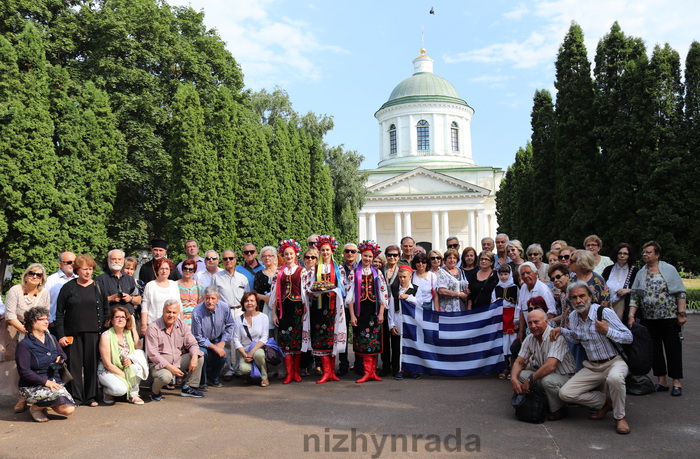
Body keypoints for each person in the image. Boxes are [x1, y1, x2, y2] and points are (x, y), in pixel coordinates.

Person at [555, 282, 633, 435]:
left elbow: (628, 337)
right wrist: (561, 330)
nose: (578, 301)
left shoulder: (604, 313)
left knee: (615, 379)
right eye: (574, 298)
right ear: (570, 301)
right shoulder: (573, 317)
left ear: (590, 297)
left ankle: (620, 417)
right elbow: (577, 338)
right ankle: (606, 403)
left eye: (582, 296)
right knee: (566, 393)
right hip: (593, 366)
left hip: (615, 361)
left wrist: (607, 331)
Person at [628, 241, 686, 396]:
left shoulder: (669, 269)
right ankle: (662, 381)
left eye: (648, 252)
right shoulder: (641, 272)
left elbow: (680, 292)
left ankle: (676, 382)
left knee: (673, 349)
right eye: (643, 252)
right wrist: (631, 314)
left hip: (669, 317)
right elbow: (635, 296)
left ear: (657, 254)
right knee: (654, 350)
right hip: (649, 318)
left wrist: (681, 314)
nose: (645, 255)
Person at [55, 254, 109, 407]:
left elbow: (106, 311)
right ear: (77, 270)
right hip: (73, 334)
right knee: (75, 367)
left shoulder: (98, 287)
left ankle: (91, 397)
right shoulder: (68, 288)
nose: (88, 272)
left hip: (94, 333)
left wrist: (104, 331)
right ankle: (76, 397)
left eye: (91, 269)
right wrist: (61, 335)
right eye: (85, 269)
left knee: (91, 366)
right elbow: (59, 313)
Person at [511, 308, 576, 421]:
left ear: (546, 321)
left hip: (566, 377)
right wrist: (513, 379)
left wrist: (531, 380)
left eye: (536, 322)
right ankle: (539, 401)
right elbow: (519, 361)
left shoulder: (556, 336)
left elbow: (551, 366)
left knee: (547, 380)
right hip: (546, 375)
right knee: (520, 375)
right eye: (530, 323)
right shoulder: (530, 338)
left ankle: (559, 409)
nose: (533, 326)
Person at [15, 307, 75, 422]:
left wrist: (60, 359)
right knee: (59, 393)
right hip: (32, 386)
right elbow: (24, 371)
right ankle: (36, 407)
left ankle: (44, 403)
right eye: (42, 319)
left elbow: (63, 355)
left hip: (54, 381)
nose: (46, 321)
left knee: (68, 409)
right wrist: (45, 382)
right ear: (32, 322)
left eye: (47, 319)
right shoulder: (24, 345)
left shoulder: (51, 338)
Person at [5, 264, 50, 413]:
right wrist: (27, 330)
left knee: (40, 364)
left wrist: (37, 331)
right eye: (32, 273)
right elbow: (10, 316)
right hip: (21, 331)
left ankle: (42, 397)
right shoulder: (15, 290)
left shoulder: (44, 293)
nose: (35, 277)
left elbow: (45, 315)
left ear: (42, 279)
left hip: (39, 332)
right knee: (22, 366)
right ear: (26, 275)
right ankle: (22, 398)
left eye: (39, 275)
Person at [303, 235, 347, 384]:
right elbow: (308, 288)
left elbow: (344, 287)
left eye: (327, 250)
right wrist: (313, 291)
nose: (325, 253)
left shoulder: (338, 268)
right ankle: (325, 371)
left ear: (332, 250)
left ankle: (332, 372)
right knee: (321, 339)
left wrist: (334, 290)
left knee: (332, 339)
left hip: (334, 308)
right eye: (323, 250)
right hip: (319, 308)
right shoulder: (314, 268)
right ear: (319, 251)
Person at [347, 241, 389, 383]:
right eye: (365, 256)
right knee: (363, 341)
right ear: (361, 255)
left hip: (374, 311)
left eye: (370, 257)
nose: (368, 259)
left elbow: (383, 294)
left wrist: (382, 312)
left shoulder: (377, 273)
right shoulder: (354, 273)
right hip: (360, 312)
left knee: (374, 341)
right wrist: (352, 315)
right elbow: (350, 296)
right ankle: (366, 372)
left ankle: (372, 371)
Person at [146, 299, 204, 401]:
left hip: (177, 362)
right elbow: (153, 354)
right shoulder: (153, 327)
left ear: (178, 313)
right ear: (163, 311)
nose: (171, 315)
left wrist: (194, 357)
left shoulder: (181, 325)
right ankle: (154, 390)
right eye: (168, 312)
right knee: (166, 377)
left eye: (174, 312)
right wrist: (170, 368)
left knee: (199, 356)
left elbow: (193, 343)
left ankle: (189, 387)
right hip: (158, 366)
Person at [270, 239, 308, 384]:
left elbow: (305, 292)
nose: (289, 256)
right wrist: (274, 312)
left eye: (291, 254)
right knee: (285, 341)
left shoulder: (301, 271)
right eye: (286, 254)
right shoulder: (279, 272)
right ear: (283, 255)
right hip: (283, 309)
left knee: (296, 342)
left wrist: (306, 311)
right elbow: (274, 294)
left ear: (296, 254)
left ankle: (296, 372)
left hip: (298, 309)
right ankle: (289, 373)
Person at [212, 250, 250, 380]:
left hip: (239, 311)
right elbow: (213, 296)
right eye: (225, 259)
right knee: (226, 341)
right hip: (224, 312)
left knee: (240, 340)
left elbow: (248, 296)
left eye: (230, 258)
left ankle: (239, 368)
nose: (228, 261)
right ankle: (227, 369)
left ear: (235, 259)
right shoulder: (216, 277)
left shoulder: (242, 278)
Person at [98, 307, 146, 405]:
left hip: (125, 368)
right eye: (117, 317)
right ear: (111, 319)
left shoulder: (129, 334)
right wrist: (125, 376)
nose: (120, 319)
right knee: (120, 390)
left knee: (137, 367)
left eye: (123, 317)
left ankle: (134, 394)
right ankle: (107, 391)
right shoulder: (106, 336)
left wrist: (131, 360)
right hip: (108, 370)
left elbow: (138, 351)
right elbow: (107, 364)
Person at [191, 286, 234, 390]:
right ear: (204, 298)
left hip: (217, 338)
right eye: (207, 298)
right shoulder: (197, 311)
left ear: (218, 299)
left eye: (213, 298)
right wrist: (215, 348)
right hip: (201, 341)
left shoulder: (224, 307)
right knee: (203, 355)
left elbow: (230, 324)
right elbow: (198, 336)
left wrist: (223, 342)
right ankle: (202, 382)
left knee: (223, 356)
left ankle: (214, 379)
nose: (210, 301)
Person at [388, 265, 420, 380]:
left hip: (411, 324)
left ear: (410, 277)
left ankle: (412, 369)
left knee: (411, 346)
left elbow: (420, 304)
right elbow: (390, 309)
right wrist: (392, 325)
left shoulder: (416, 289)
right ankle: (398, 369)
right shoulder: (395, 290)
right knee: (397, 347)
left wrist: (409, 297)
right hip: (398, 321)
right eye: (400, 277)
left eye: (405, 277)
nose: (402, 279)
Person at [233, 292, 270, 387]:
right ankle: (248, 375)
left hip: (258, 348)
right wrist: (245, 354)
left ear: (256, 303)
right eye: (246, 301)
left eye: (252, 301)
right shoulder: (238, 320)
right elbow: (236, 339)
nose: (249, 303)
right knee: (244, 369)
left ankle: (264, 376)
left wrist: (252, 352)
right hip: (244, 351)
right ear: (243, 304)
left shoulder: (263, 317)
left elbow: (264, 337)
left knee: (259, 355)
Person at [140, 258, 183, 336]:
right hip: (154, 325)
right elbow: (145, 306)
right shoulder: (150, 285)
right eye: (162, 268)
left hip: (172, 325)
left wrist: (181, 324)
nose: (164, 271)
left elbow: (179, 305)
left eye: (167, 268)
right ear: (157, 270)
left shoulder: (174, 285)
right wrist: (144, 325)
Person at [95, 249, 141, 318]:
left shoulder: (129, 278)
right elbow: (94, 301)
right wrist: (110, 298)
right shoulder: (99, 279)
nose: (117, 261)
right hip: (109, 318)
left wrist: (130, 298)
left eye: (119, 259)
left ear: (123, 260)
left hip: (128, 318)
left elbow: (139, 299)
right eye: (113, 259)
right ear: (108, 260)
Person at [492, 264, 518, 379]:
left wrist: (517, 319)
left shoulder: (515, 287)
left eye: (506, 274)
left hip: (512, 316)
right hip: (501, 316)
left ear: (510, 274)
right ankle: (505, 367)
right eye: (501, 274)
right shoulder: (496, 288)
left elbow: (518, 305)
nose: (503, 277)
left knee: (512, 341)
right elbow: (492, 303)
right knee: (503, 343)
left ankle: (513, 367)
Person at [602, 243, 639, 321]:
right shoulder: (608, 270)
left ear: (629, 256)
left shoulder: (634, 271)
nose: (622, 256)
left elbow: (640, 289)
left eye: (625, 254)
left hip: (625, 308)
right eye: (620, 253)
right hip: (608, 306)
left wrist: (628, 290)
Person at [338, 243, 359, 376]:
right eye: (347, 251)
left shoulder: (361, 269)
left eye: (352, 251)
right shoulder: (338, 268)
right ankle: (343, 364)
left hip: (357, 305)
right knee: (342, 335)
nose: (350, 254)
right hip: (341, 306)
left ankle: (359, 364)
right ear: (344, 253)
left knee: (358, 335)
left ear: (356, 254)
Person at [45, 252, 77, 328]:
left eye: (75, 262)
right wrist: (50, 322)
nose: (72, 264)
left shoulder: (79, 279)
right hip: (56, 323)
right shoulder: (51, 280)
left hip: (75, 323)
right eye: (69, 262)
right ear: (60, 264)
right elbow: (44, 302)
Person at [254, 246, 278, 343]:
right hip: (265, 308)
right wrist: (265, 298)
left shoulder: (281, 272)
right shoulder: (259, 274)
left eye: (270, 256)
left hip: (281, 308)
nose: (267, 258)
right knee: (268, 335)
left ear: (275, 257)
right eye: (264, 256)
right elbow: (255, 294)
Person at [177, 259, 204, 326]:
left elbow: (200, 305)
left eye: (190, 269)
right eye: (185, 268)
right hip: (179, 319)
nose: (187, 271)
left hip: (195, 320)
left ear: (194, 271)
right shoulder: (175, 285)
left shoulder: (198, 286)